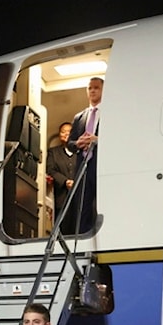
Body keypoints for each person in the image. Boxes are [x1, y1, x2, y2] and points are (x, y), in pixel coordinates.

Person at [66, 76, 103, 235]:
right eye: (90, 88)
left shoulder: (110, 113)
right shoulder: (79, 117)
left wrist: (98, 140)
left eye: (96, 88)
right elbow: (69, 143)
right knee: (81, 206)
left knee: (102, 203)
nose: (92, 91)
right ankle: (82, 237)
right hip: (82, 167)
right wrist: (78, 144)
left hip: (100, 166)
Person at [45, 122, 76, 233]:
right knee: (63, 227)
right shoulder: (53, 152)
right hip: (61, 198)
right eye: (63, 132)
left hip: (79, 197)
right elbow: (50, 170)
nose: (66, 134)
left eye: (69, 132)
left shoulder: (81, 153)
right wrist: (65, 181)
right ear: (59, 135)